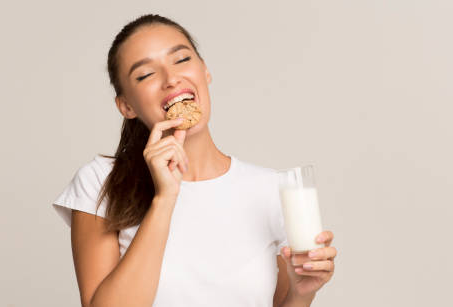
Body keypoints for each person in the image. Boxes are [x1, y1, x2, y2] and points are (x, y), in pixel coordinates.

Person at [52, 14, 337, 307]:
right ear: (126, 106)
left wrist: (302, 295)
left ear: (205, 71)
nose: (171, 78)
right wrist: (165, 199)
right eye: (146, 74)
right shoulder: (101, 182)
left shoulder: (272, 188)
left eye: (181, 59)